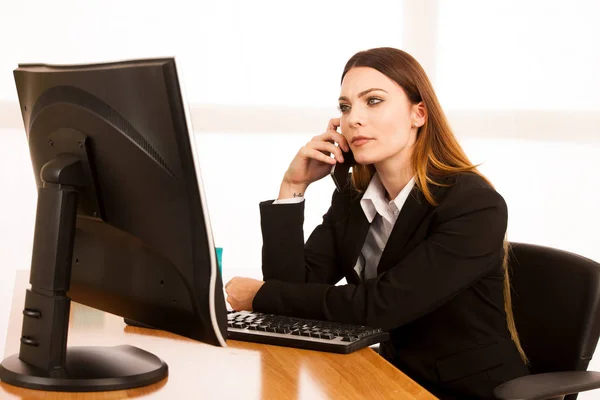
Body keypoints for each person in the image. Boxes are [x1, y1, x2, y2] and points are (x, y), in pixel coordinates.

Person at [224, 47, 530, 399]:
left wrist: (261, 295)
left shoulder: (474, 205)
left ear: (418, 114)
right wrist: (293, 188)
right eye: (345, 106)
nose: (354, 118)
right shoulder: (355, 197)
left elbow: (382, 306)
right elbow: (293, 291)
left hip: (464, 390)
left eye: (373, 101)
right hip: (386, 378)